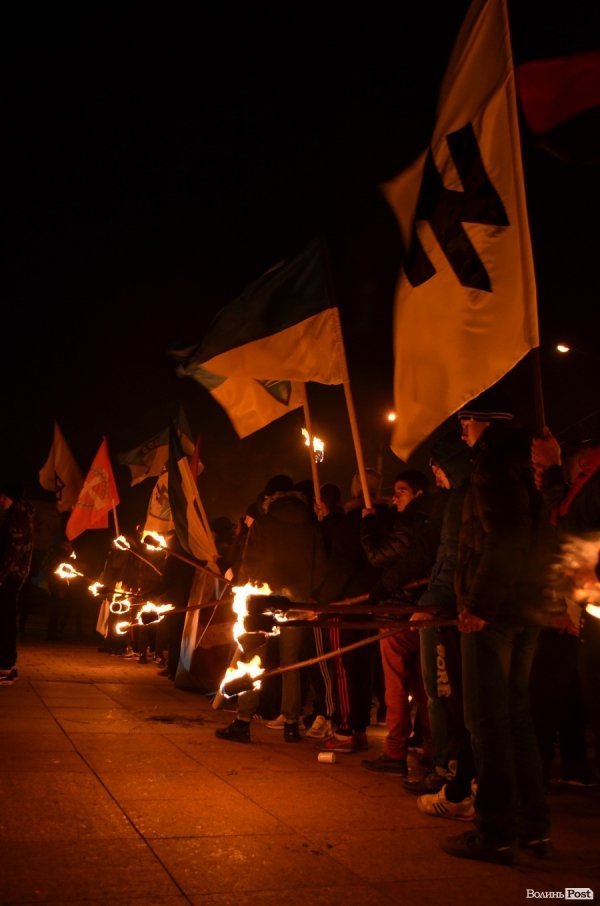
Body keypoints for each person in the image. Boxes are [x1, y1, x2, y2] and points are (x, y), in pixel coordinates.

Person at [441, 387, 552, 865]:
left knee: (487, 721)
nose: (462, 431)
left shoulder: (491, 468)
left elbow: (505, 539)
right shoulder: (530, 468)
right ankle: (533, 827)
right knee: (515, 719)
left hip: (497, 613)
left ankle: (496, 830)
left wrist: (478, 604)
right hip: (526, 608)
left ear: (482, 421)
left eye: (466, 422)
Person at [216, 474, 326, 743]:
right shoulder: (311, 527)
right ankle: (291, 723)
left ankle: (243, 721)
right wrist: (306, 593)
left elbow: (250, 561)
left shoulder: (263, 524)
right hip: (296, 602)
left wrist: (246, 589)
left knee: (252, 657)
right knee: (291, 663)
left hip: (263, 601)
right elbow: (320, 565)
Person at [359, 469, 441, 775]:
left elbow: (379, 556)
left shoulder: (410, 523)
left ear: (419, 493)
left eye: (402, 490)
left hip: (399, 611)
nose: (395, 496)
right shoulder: (434, 520)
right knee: (425, 685)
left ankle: (395, 750)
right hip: (424, 610)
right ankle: (435, 749)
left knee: (396, 683)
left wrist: (368, 524)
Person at [0, 481, 34, 685]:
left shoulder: (18, 515)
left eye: (2, 497)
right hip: (11, 575)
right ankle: (7, 665)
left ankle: (4, 666)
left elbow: (15, 550)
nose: (0, 501)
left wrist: (1, 575)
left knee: (5, 621)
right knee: (5, 620)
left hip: (10, 576)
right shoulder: (17, 514)